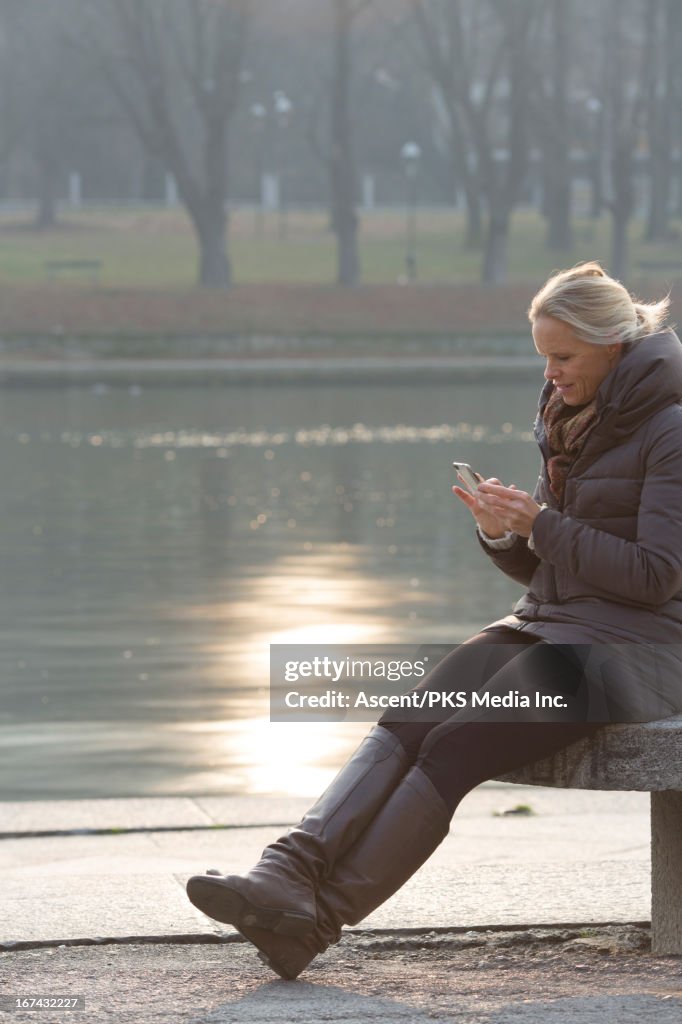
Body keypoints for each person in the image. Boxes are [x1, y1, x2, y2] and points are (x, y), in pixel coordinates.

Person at [186, 262, 682, 980]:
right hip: (556, 623)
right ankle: (286, 873)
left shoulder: (671, 428)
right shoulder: (572, 414)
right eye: (544, 355)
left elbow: (655, 576)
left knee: (456, 746)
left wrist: (542, 525)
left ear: (614, 347)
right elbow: (555, 569)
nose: (551, 372)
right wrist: (505, 533)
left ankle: (316, 922)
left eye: (564, 357)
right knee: (412, 715)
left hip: (643, 650)